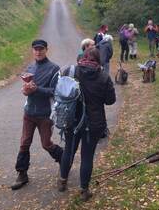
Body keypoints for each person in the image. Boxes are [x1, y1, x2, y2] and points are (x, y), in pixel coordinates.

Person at [58, 47, 116, 201]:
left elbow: (59, 91)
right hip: (94, 123)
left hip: (72, 120)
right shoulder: (103, 77)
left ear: (82, 57)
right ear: (98, 61)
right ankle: (84, 190)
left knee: (68, 150)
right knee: (87, 156)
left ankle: (62, 181)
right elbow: (110, 101)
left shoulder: (72, 71)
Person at [11, 39, 64, 190]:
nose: (38, 51)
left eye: (41, 49)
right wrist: (25, 91)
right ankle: (22, 174)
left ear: (46, 50)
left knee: (46, 144)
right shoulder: (30, 67)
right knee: (24, 143)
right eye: (35, 49)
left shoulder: (54, 69)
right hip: (29, 112)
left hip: (45, 114)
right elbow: (27, 89)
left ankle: (63, 160)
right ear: (32, 51)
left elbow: (55, 91)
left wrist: (37, 89)